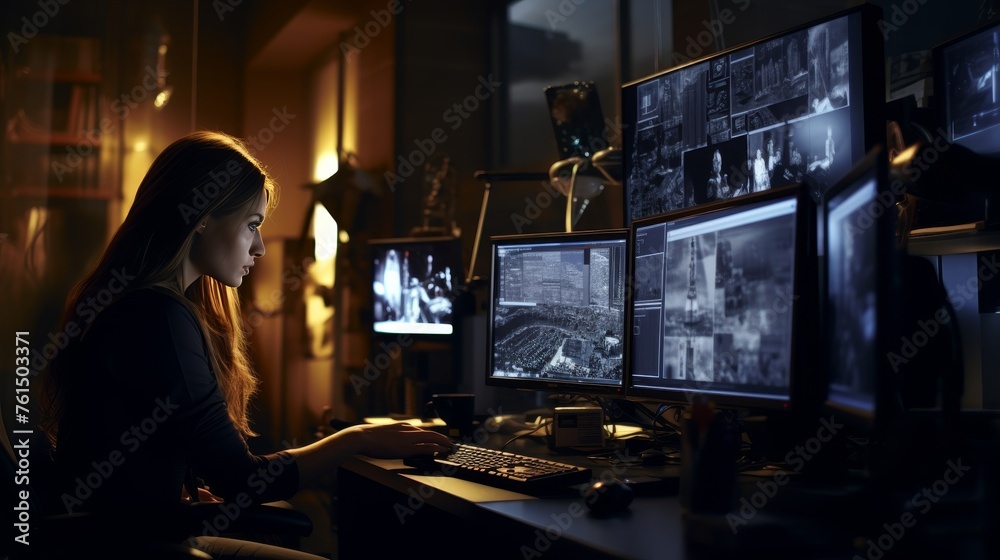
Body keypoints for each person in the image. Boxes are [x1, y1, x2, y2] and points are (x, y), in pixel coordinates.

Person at [38, 131, 454, 559]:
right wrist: (355, 439)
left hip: (142, 536)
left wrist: (175, 487)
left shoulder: (138, 303)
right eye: (252, 225)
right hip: (139, 545)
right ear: (202, 215)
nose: (259, 247)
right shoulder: (157, 316)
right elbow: (243, 479)